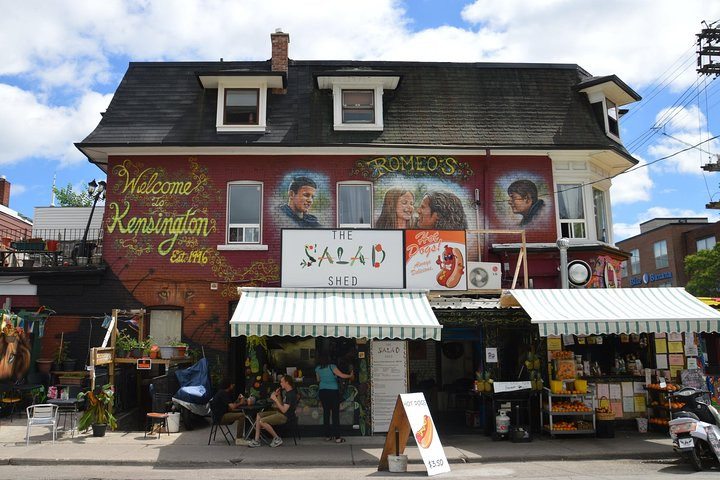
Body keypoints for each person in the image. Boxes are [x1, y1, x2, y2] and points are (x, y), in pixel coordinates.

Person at [248, 374, 298, 448]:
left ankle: (277, 438)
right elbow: (281, 405)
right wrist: (278, 396)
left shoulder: (291, 394)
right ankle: (257, 440)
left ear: (287, 382)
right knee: (259, 415)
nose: (280, 384)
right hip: (281, 413)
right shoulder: (287, 393)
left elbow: (284, 410)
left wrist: (274, 399)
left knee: (262, 421)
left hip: (286, 417)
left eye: (282, 382)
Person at [315, 353, 354, 443]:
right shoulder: (332, 366)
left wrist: (325, 379)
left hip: (323, 391)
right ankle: (337, 437)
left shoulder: (317, 368)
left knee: (326, 413)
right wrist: (350, 375)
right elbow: (341, 375)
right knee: (335, 414)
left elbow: (318, 380)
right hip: (333, 392)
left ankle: (327, 436)